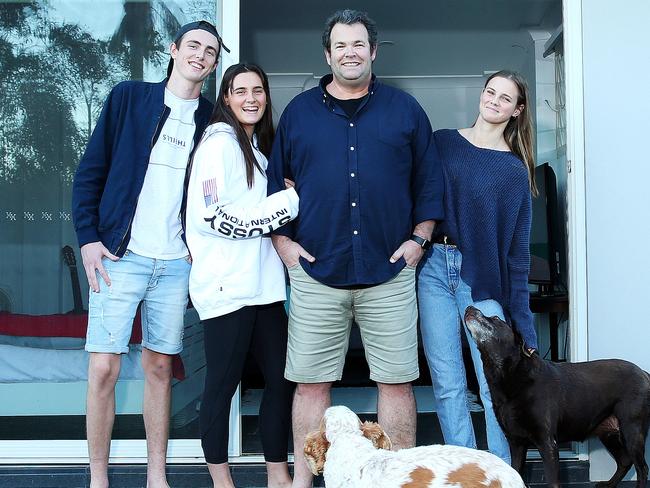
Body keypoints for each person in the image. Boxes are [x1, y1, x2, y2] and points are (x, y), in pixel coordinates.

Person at [266, 9, 444, 487]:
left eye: (358, 44)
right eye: (341, 45)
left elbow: (429, 182)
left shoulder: (405, 111)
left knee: (397, 383)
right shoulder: (299, 114)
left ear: (373, 51)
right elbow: (274, 192)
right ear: (328, 54)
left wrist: (418, 240)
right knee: (310, 385)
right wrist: (283, 244)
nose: (350, 53)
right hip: (316, 271)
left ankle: (397, 480)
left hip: (389, 273)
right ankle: (306, 482)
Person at [71, 21, 223, 488]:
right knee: (103, 367)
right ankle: (99, 476)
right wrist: (89, 237)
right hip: (120, 255)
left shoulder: (213, 120)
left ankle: (156, 474)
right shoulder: (129, 98)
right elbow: (90, 171)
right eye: (193, 45)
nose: (200, 55)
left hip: (176, 262)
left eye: (210, 52)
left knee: (160, 367)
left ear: (215, 64)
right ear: (173, 49)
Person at [185, 62, 299, 488]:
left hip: (265, 291)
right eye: (240, 90)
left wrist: (284, 196)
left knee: (281, 380)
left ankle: (277, 474)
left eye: (258, 90)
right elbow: (215, 217)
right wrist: (288, 203)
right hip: (226, 290)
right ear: (227, 98)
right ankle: (221, 480)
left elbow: (259, 215)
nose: (250, 98)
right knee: (222, 385)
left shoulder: (256, 151)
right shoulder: (217, 144)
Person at [416, 70, 539, 465]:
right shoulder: (442, 143)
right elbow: (408, 191)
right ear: (481, 95)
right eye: (491, 92)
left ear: (517, 111)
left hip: (481, 278)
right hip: (433, 267)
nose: (495, 101)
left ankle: (501, 471)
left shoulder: (514, 172)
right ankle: (464, 469)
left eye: (506, 98)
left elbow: (518, 256)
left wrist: (525, 325)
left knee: (493, 384)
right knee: (448, 382)